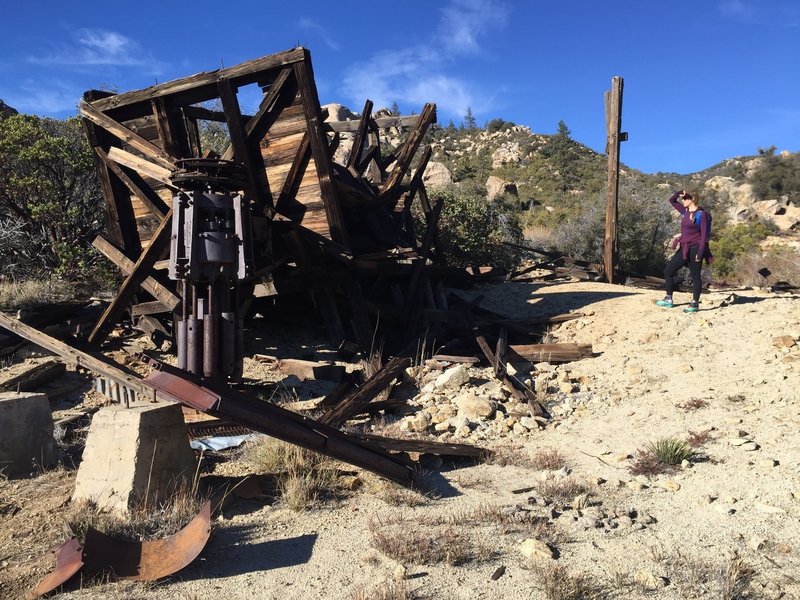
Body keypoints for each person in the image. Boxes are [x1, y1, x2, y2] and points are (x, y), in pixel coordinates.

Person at [656, 190, 713, 313]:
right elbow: (672, 200)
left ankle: (694, 304)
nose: (683, 200)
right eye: (683, 198)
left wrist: (700, 252)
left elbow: (704, 236)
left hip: (696, 248)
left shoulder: (701, 215)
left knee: (695, 275)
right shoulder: (685, 212)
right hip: (684, 247)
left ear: (692, 199)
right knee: (668, 271)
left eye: (686, 198)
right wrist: (679, 193)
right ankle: (668, 299)